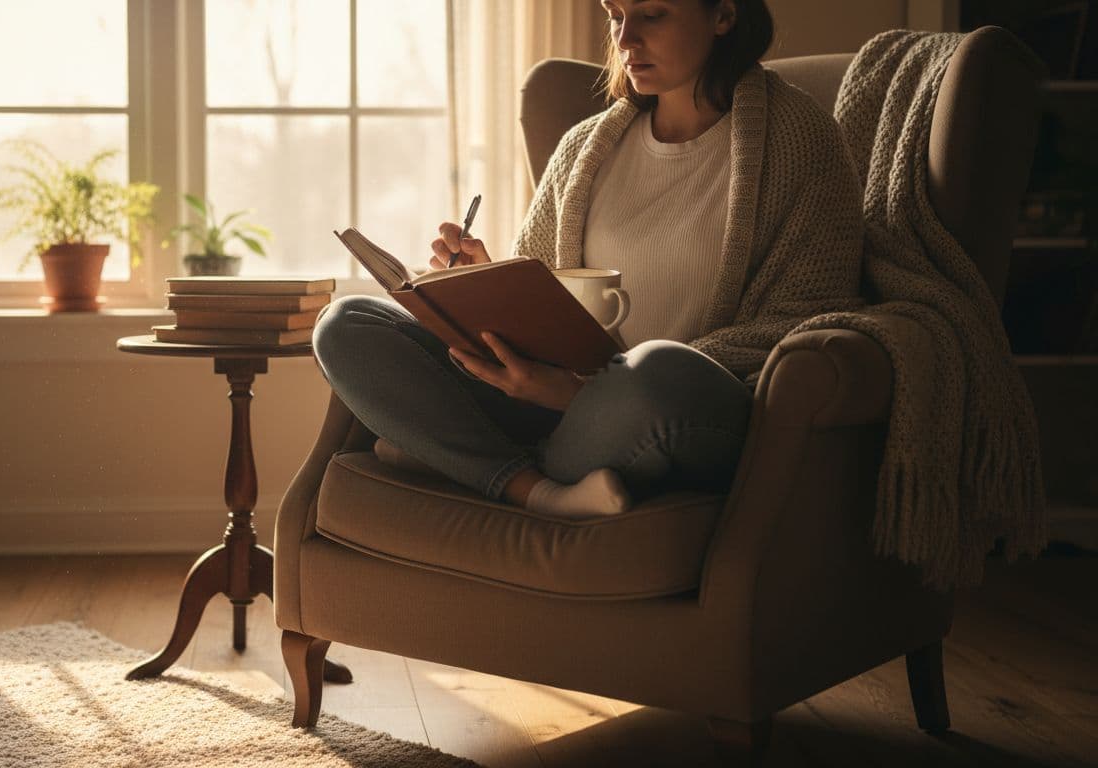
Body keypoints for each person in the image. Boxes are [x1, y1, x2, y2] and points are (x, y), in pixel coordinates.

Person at [312, 0, 865, 519]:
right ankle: (538, 490)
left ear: (723, 14)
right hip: (549, 405)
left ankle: (451, 454)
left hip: (670, 406)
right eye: (615, 15)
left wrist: (579, 393)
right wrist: (482, 285)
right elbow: (546, 299)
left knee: (657, 369)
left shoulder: (803, 140)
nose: (626, 39)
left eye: (651, 14)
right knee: (345, 322)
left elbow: (802, 320)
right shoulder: (583, 149)